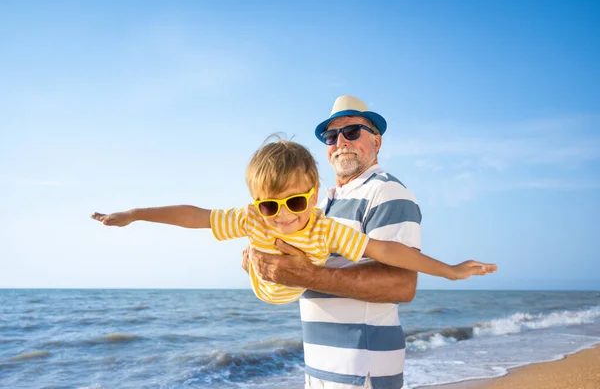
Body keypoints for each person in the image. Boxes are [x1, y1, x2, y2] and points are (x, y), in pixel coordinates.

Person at [91, 136, 495, 305]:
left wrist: (449, 271)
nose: (282, 216)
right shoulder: (253, 219)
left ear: (314, 195)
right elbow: (195, 216)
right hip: (264, 292)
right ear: (255, 202)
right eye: (270, 205)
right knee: (248, 247)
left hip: (302, 290)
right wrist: (135, 215)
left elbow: (386, 251)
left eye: (295, 201)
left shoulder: (324, 226)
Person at [245, 95, 451, 388]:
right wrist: (265, 266)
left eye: (352, 131)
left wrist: (309, 275)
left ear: (376, 142)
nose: (341, 140)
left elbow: (401, 284)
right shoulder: (321, 205)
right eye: (331, 136)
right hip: (321, 370)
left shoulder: (388, 192)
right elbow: (300, 273)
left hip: (363, 374)